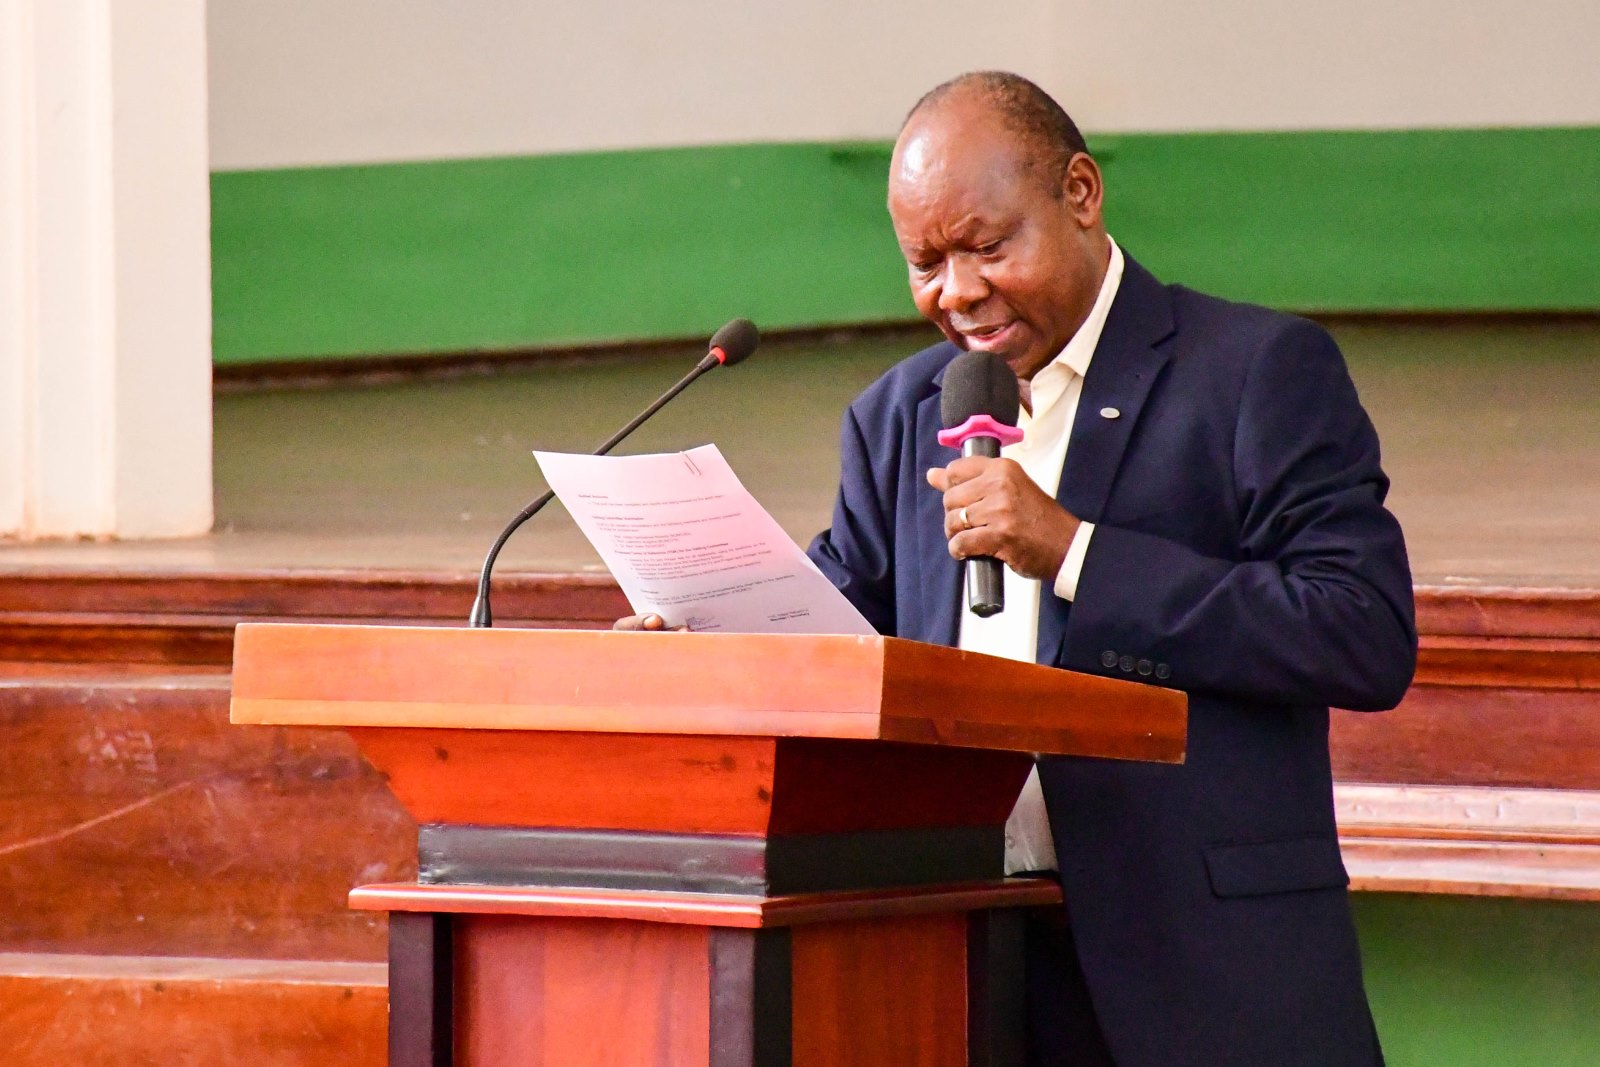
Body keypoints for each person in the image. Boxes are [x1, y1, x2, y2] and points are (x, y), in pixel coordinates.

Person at [801, 72, 1417, 1065]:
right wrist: (694, 628)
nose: (954, 291)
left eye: (987, 247)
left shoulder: (1254, 372)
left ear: (1079, 194)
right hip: (964, 957)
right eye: (924, 262)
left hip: (1208, 977)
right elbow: (831, 620)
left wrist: (1075, 550)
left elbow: (1359, 630)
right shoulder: (898, 415)